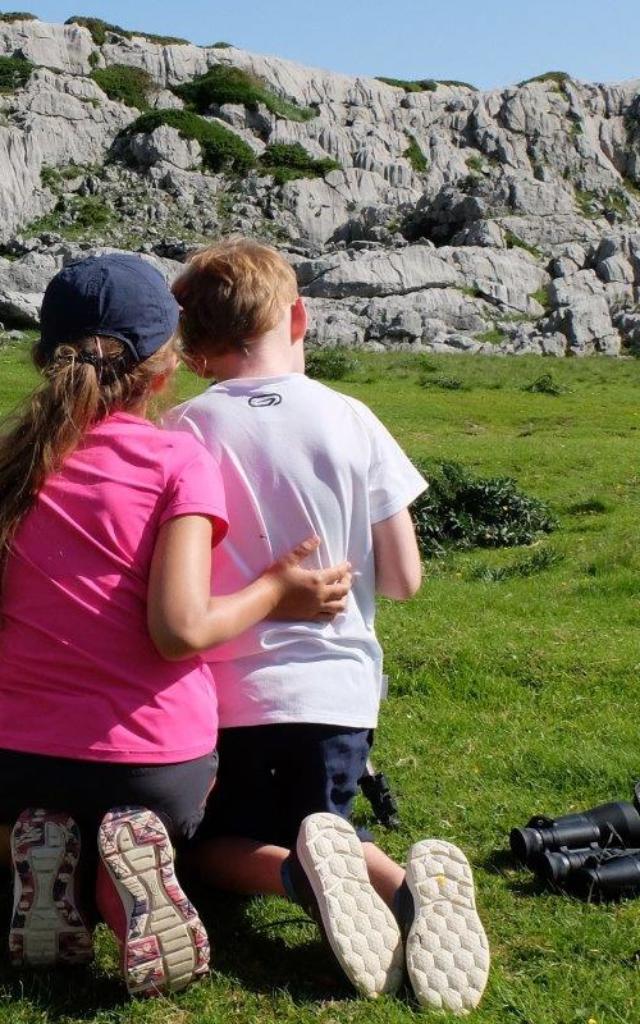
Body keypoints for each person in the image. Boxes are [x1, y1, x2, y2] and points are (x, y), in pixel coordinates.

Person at [0, 253, 351, 998]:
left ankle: (35, 859)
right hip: (156, 769)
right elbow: (180, 628)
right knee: (156, 837)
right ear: (164, 368)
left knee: (31, 818)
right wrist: (276, 590)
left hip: (18, 760)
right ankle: (116, 892)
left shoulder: (12, 466)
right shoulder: (176, 461)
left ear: (41, 356)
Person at [167, 238, 491, 1015]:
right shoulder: (354, 415)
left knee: (210, 848)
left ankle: (296, 877)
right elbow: (405, 578)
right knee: (326, 821)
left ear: (197, 348)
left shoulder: (185, 427)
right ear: (298, 316)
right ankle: (408, 888)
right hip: (342, 693)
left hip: (233, 697)